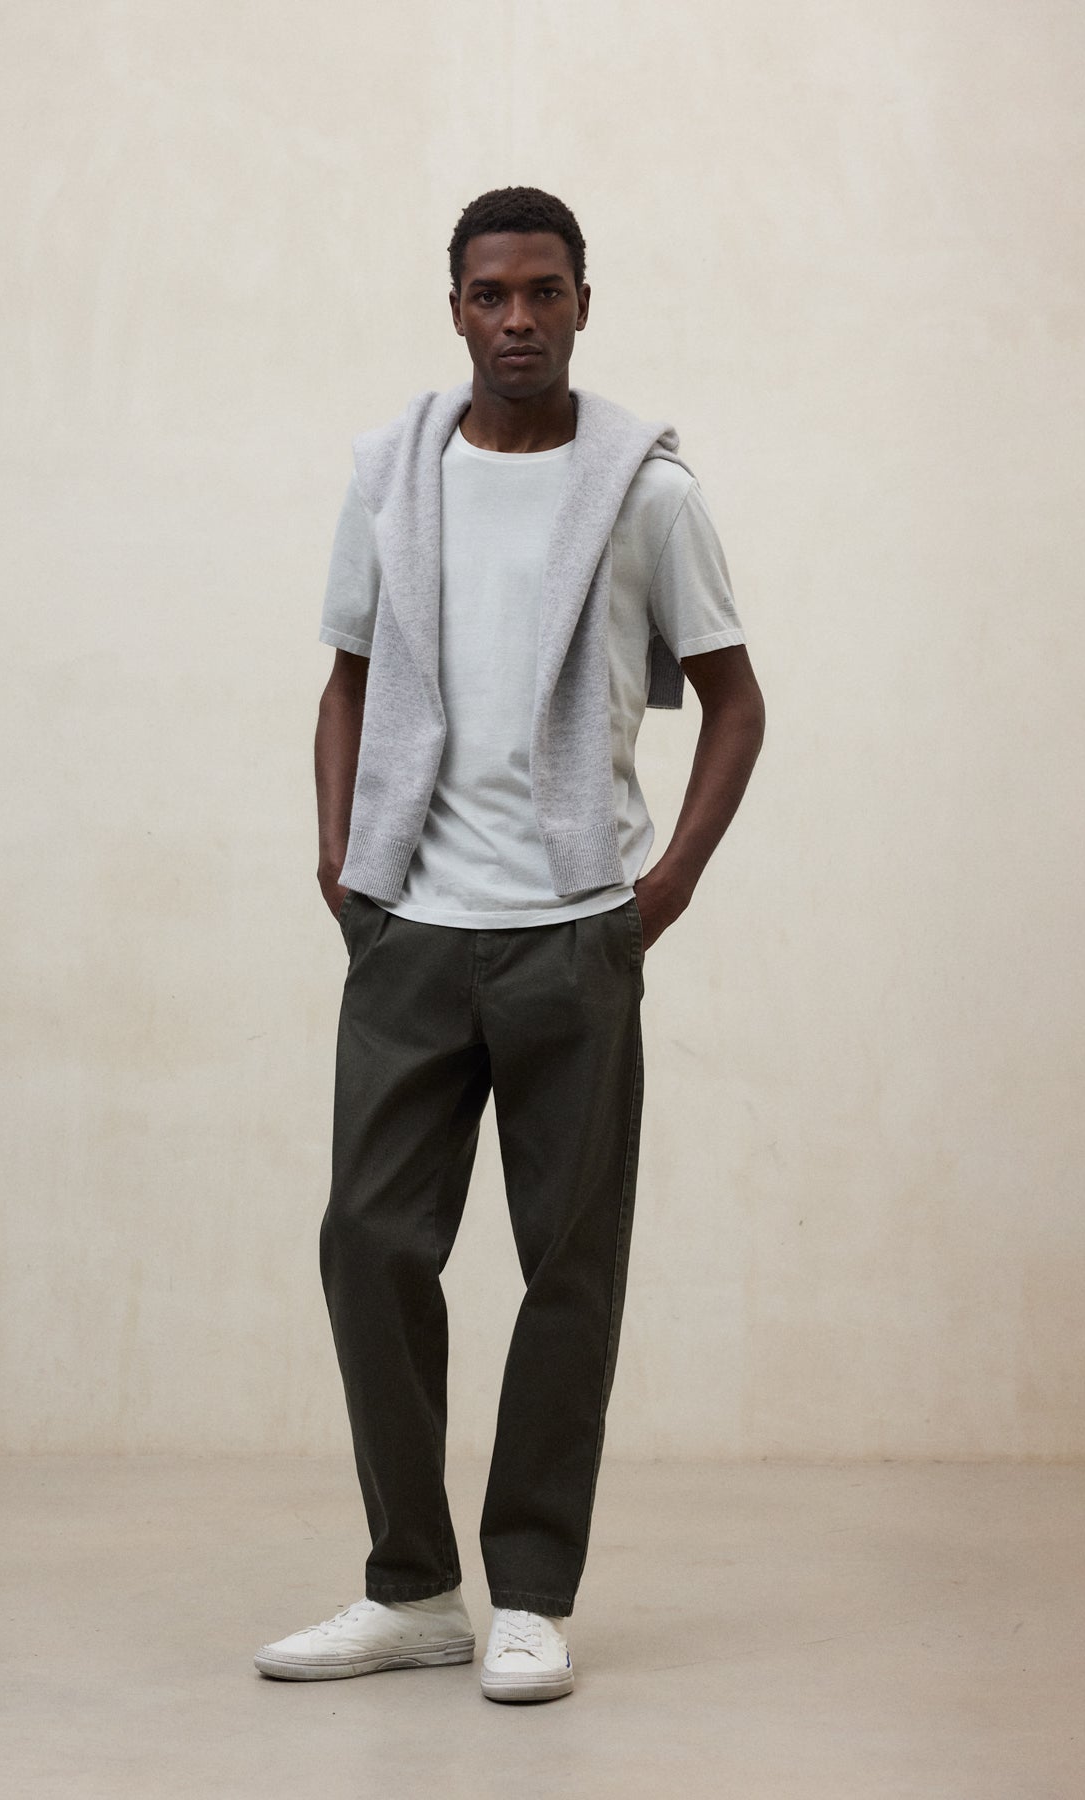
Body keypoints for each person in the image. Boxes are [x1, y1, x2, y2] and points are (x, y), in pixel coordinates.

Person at [255, 185, 765, 1704]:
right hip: (410, 934)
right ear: (457, 310)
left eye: (545, 292)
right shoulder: (392, 478)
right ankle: (412, 1590)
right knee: (368, 1245)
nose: (519, 319)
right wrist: (342, 864)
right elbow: (346, 679)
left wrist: (660, 892)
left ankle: (532, 1592)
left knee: (570, 1269)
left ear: (583, 305)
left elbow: (737, 700)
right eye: (492, 294)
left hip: (572, 943)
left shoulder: (647, 495)